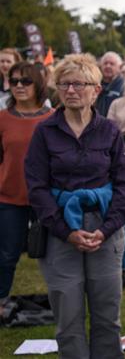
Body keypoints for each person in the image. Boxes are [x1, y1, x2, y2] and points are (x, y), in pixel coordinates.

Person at [25, 54, 125, 359]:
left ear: (96, 89)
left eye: (79, 84)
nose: (71, 90)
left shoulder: (110, 131)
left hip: (105, 231)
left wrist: (106, 228)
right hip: (60, 232)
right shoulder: (44, 132)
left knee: (107, 318)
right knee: (68, 319)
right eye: (64, 84)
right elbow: (37, 188)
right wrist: (65, 230)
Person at [0, 62, 53, 307]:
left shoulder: (53, 118)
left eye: (26, 81)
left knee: (55, 254)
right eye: (14, 81)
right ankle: (1, 301)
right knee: (7, 254)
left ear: (38, 84)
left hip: (46, 197)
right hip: (9, 197)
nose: (19, 86)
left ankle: (63, 301)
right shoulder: (2, 118)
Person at [95, 52, 125, 117]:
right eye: (105, 63)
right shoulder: (94, 84)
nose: (108, 66)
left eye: (112, 64)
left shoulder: (124, 86)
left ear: (119, 68)